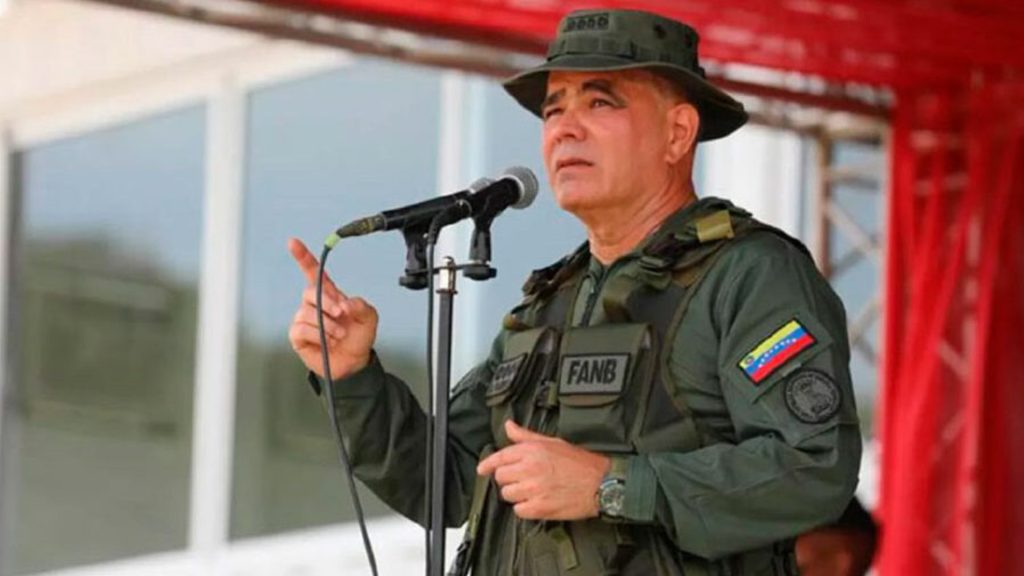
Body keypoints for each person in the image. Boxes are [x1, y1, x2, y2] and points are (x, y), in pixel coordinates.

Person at [288, 8, 862, 575]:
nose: (564, 128)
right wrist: (353, 377)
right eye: (553, 109)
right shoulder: (549, 302)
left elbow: (814, 467)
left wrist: (611, 486)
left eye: (599, 103)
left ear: (678, 133)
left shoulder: (748, 274)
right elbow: (447, 485)